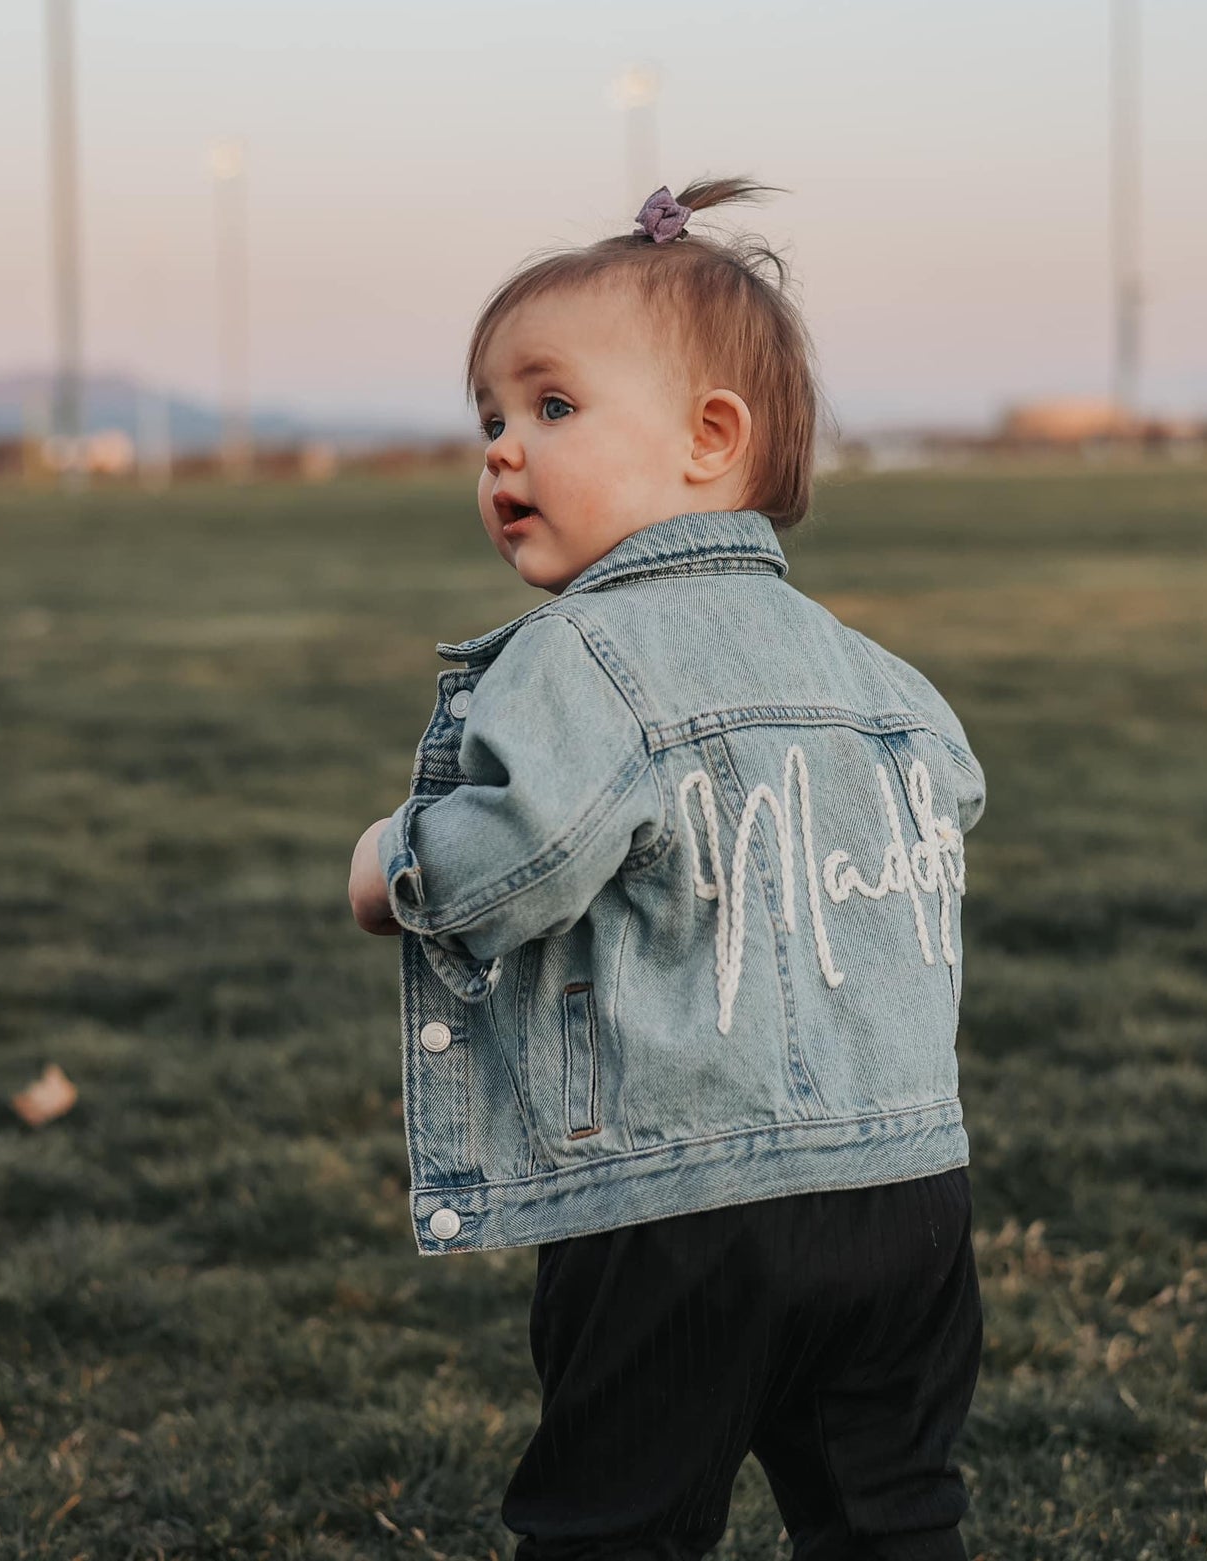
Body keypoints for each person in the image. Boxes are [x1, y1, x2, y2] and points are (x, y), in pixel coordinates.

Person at [348, 177, 988, 1561]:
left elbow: (516, 861)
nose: (503, 453)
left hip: (675, 1213)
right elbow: (954, 800)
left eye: (550, 408)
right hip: (907, 1198)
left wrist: (392, 859)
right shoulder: (885, 679)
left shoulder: (580, 654)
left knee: (614, 1522)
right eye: (491, 421)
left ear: (710, 440)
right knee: (890, 1513)